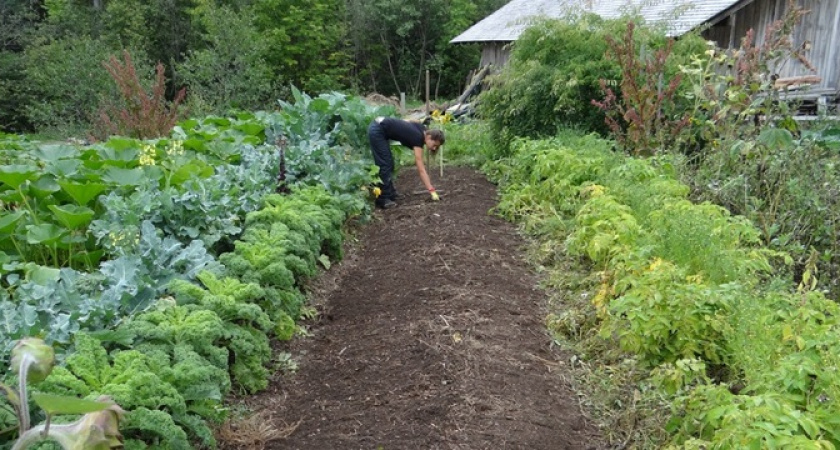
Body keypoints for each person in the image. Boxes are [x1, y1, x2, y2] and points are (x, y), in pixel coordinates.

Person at [367, 116, 445, 209]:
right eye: (434, 145)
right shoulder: (418, 138)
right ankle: (383, 199)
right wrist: (431, 190)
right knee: (384, 164)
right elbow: (421, 170)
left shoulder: (422, 129)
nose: (434, 148)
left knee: (389, 163)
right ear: (429, 137)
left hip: (380, 125)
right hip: (377, 130)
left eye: (436, 147)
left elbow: (409, 120)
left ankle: (391, 193)